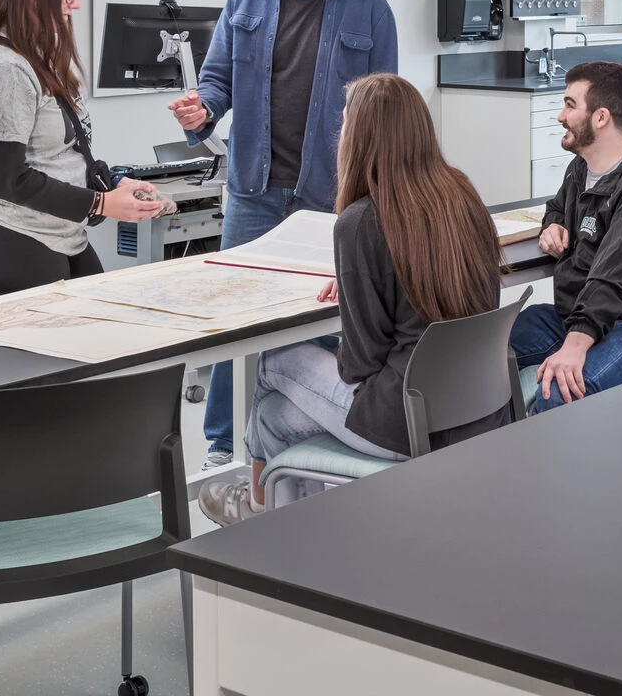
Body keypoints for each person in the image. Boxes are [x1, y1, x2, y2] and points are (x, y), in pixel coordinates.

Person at [202, 75, 505, 524]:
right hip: (477, 406)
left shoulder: (362, 221)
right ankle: (275, 518)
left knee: (272, 360)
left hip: (406, 421)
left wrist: (358, 291)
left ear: (360, 138)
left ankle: (263, 520)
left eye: (345, 124)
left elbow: (358, 365)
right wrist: (366, 279)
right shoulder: (461, 194)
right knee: (272, 415)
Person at [168, 0, 398, 469]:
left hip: (329, 192)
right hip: (254, 186)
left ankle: (293, 431)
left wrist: (374, 192)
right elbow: (217, 80)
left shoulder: (369, 9)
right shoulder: (246, 0)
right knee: (235, 313)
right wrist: (203, 112)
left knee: (315, 315)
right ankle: (224, 443)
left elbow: (385, 105)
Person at [0, 0, 166, 301]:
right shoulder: (0, 66)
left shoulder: (41, 56)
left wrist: (111, 185)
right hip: (6, 238)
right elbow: (6, 178)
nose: (76, 5)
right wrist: (101, 204)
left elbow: (60, 154)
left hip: (61, 234)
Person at [512, 62, 622, 412]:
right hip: (575, 314)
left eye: (569, 105)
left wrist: (574, 348)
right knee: (479, 356)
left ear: (601, 117)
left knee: (559, 393)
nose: (560, 116)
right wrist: (554, 224)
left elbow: (611, 280)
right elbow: (557, 206)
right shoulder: (582, 167)